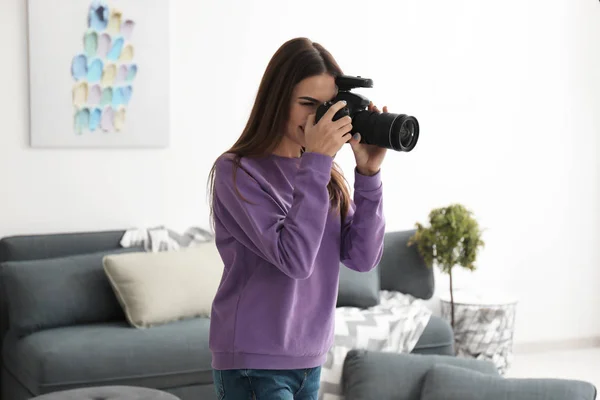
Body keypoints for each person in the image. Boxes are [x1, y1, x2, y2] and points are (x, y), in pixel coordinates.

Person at [206, 37, 387, 399]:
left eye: (327, 106)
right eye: (307, 104)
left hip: (310, 357)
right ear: (277, 102)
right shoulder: (237, 172)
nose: (317, 118)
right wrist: (318, 163)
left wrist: (368, 175)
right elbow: (295, 259)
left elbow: (362, 259)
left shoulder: (324, 175)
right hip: (255, 361)